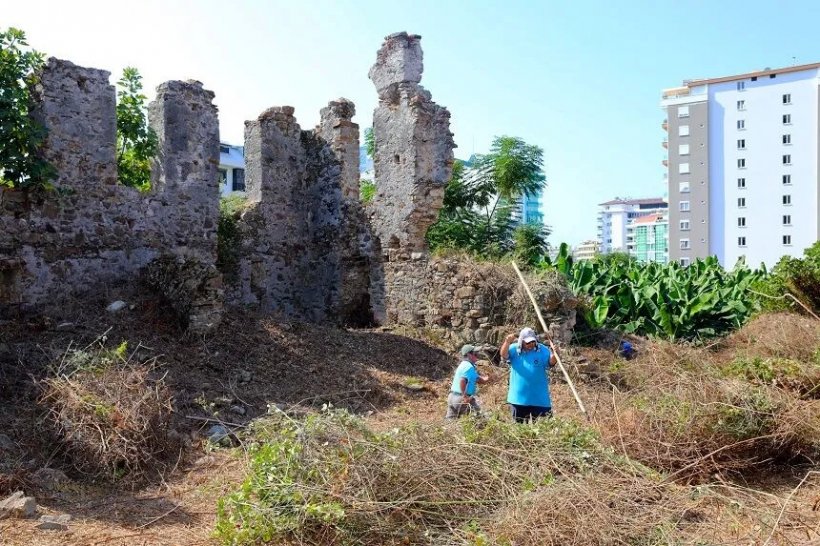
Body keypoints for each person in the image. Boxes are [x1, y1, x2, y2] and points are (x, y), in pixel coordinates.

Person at [500, 327, 557, 423]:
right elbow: (504, 355)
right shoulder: (514, 349)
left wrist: (555, 354)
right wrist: (507, 342)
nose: (531, 344)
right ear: (521, 341)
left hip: (539, 399)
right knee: (519, 429)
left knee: (544, 428)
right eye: (527, 342)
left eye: (533, 342)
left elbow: (551, 363)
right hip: (518, 399)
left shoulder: (542, 350)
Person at [445, 344, 490, 419]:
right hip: (461, 399)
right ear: (469, 355)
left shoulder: (464, 365)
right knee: (481, 418)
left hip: (452, 397)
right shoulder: (468, 367)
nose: (477, 355)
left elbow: (477, 379)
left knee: (450, 422)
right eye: (475, 353)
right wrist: (465, 397)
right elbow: (463, 381)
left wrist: (487, 379)